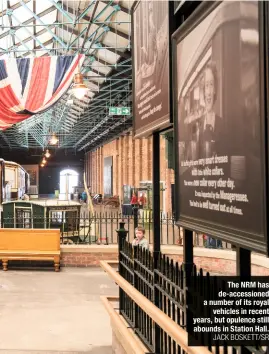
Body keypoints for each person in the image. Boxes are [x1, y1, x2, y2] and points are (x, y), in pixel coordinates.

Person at [196, 62, 226, 159]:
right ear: (203, 91)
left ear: (215, 90)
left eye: (211, 85)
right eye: (206, 86)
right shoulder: (199, 128)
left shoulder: (223, 125)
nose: (208, 92)